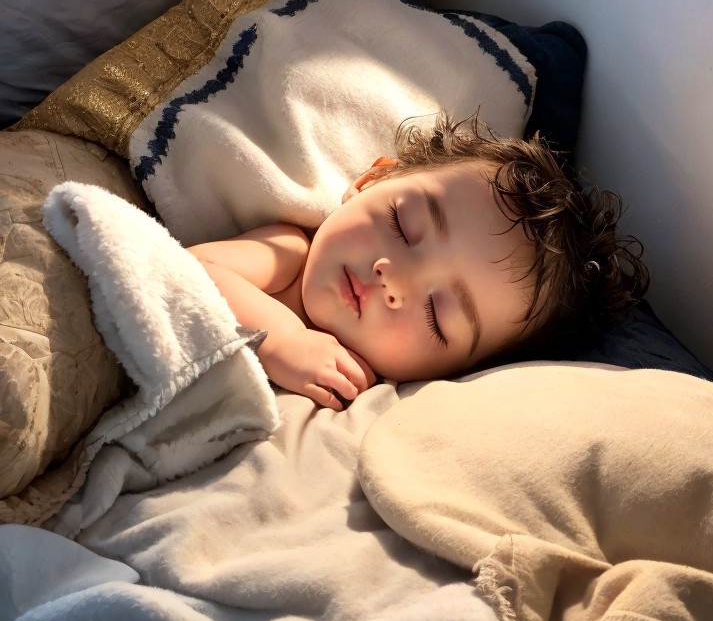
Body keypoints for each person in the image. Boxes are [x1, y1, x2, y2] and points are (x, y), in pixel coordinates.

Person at [188, 113, 649, 410]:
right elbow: (189, 270)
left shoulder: (385, 399)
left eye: (437, 314)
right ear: (373, 180)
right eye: (404, 225)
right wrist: (283, 341)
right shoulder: (288, 254)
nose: (393, 280)